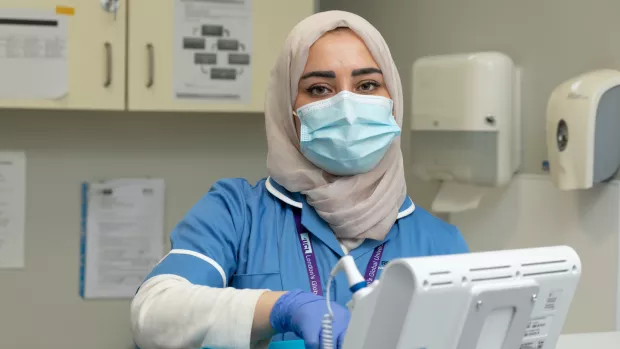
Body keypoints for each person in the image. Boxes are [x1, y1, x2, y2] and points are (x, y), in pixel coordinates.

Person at [130, 10, 469, 349]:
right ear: (287, 107)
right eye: (319, 89)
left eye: (367, 85)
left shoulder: (441, 244)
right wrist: (282, 308)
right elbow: (153, 315)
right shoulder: (236, 213)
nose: (347, 106)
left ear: (393, 98)